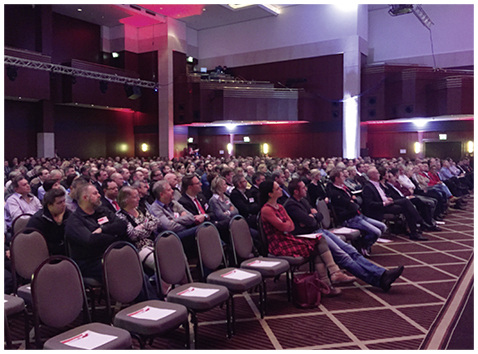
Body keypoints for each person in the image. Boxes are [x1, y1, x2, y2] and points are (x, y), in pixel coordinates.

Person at [285, 178, 403, 292]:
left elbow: (318, 216)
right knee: (343, 256)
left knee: (350, 250)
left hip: (319, 231)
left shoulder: (303, 201)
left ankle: (381, 274)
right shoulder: (291, 205)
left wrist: (312, 217)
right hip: (309, 237)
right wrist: (312, 217)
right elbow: (310, 221)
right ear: (296, 191)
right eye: (303, 187)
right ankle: (379, 279)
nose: (306, 189)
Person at [260, 180, 346, 296]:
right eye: (277, 189)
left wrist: (286, 224)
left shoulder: (280, 206)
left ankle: (328, 280)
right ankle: (330, 278)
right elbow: (284, 226)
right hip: (278, 244)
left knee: (318, 242)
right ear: (270, 194)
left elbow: (290, 225)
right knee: (318, 243)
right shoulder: (266, 210)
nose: (281, 189)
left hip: (287, 238)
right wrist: (286, 224)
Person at [65, 184, 127, 281]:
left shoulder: (102, 211)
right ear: (85, 198)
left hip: (110, 255)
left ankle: (151, 295)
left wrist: (103, 229)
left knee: (133, 263)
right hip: (90, 263)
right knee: (122, 270)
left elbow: (122, 224)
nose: (99, 195)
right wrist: (114, 236)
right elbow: (91, 241)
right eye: (95, 193)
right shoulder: (74, 221)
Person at [326, 168, 387, 256]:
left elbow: (356, 201)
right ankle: (363, 246)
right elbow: (350, 205)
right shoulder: (335, 192)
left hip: (358, 215)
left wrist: (353, 202)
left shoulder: (344, 188)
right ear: (336, 178)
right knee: (376, 232)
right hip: (349, 219)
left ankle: (361, 243)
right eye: (342, 176)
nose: (345, 177)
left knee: (383, 227)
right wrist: (353, 202)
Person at [362, 167, 427, 241]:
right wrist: (384, 203)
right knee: (406, 202)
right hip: (380, 207)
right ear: (372, 175)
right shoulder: (368, 186)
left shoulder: (378, 184)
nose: (379, 174)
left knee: (407, 207)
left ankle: (415, 231)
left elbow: (385, 194)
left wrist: (388, 198)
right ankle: (419, 223)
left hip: (387, 203)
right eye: (377, 173)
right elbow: (369, 204)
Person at [116, 186, 161, 272]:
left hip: (154, 242)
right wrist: (148, 227)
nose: (139, 198)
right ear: (126, 200)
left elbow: (157, 222)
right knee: (161, 264)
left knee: (177, 256)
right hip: (139, 248)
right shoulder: (120, 216)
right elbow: (132, 235)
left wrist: (142, 226)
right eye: (135, 196)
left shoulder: (141, 209)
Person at [149, 180, 198, 254]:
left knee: (206, 227)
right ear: (161, 194)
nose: (172, 191)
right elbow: (169, 227)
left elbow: (191, 217)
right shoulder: (155, 208)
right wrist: (185, 222)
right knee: (201, 229)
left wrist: (174, 220)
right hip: (169, 238)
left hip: (182, 232)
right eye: (169, 190)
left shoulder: (173, 202)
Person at [26, 187, 71, 255]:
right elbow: (34, 244)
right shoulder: (37, 220)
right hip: (47, 256)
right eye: (59, 203)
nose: (64, 204)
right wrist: (59, 225)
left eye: (64, 201)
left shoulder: (68, 214)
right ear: (49, 205)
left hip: (68, 253)